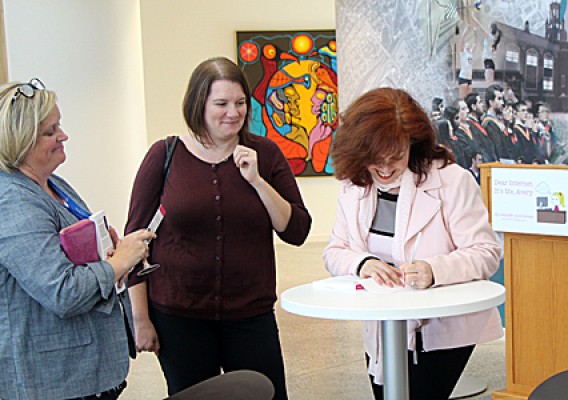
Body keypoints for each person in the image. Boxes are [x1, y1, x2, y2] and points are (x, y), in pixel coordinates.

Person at [125, 56, 312, 400]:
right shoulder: (164, 155)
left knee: (267, 394)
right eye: (222, 103)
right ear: (199, 104)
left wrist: (257, 182)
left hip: (250, 314)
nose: (233, 112)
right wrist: (141, 318)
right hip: (179, 317)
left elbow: (297, 230)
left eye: (240, 103)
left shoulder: (265, 154)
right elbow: (134, 242)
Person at [0, 79, 155, 399]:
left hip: (81, 372)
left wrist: (106, 252)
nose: (63, 136)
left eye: (60, 125)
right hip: (45, 381)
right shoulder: (10, 204)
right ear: (19, 139)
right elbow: (63, 291)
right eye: (50, 131)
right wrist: (122, 259)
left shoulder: (51, 183)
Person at [322, 87, 502, 400]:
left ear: (413, 144)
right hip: (383, 324)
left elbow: (486, 253)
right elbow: (335, 251)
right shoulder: (354, 184)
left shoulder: (451, 180)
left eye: (396, 158)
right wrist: (362, 263)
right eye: (375, 161)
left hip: (443, 327)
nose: (386, 170)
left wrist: (435, 270)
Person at [473, 15, 502, 85]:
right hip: (490, 61)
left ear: (491, 29)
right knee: (490, 82)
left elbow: (480, 26)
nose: (488, 28)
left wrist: (474, 18)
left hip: (488, 61)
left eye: (489, 27)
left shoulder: (489, 36)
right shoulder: (495, 38)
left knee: (488, 81)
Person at [457, 25, 477, 99]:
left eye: (469, 45)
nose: (468, 46)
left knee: (469, 98)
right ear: (464, 47)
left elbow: (475, 43)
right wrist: (465, 31)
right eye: (466, 45)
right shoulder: (463, 53)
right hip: (463, 77)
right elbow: (462, 41)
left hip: (469, 78)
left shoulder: (470, 53)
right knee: (462, 98)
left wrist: (475, 32)